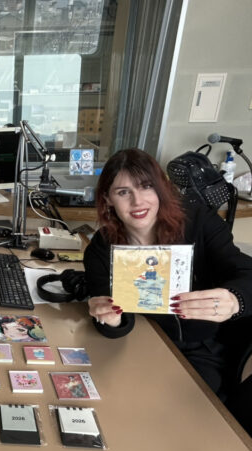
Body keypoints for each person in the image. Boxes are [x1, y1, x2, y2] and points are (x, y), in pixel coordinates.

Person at [84, 148, 252, 435]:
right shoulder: (101, 249)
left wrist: (234, 299)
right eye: (123, 192)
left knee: (181, 420)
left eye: (146, 186)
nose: (138, 201)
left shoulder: (199, 222)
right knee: (113, 409)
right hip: (141, 346)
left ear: (161, 187)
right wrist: (110, 319)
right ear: (108, 199)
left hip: (201, 348)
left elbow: (245, 272)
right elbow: (113, 324)